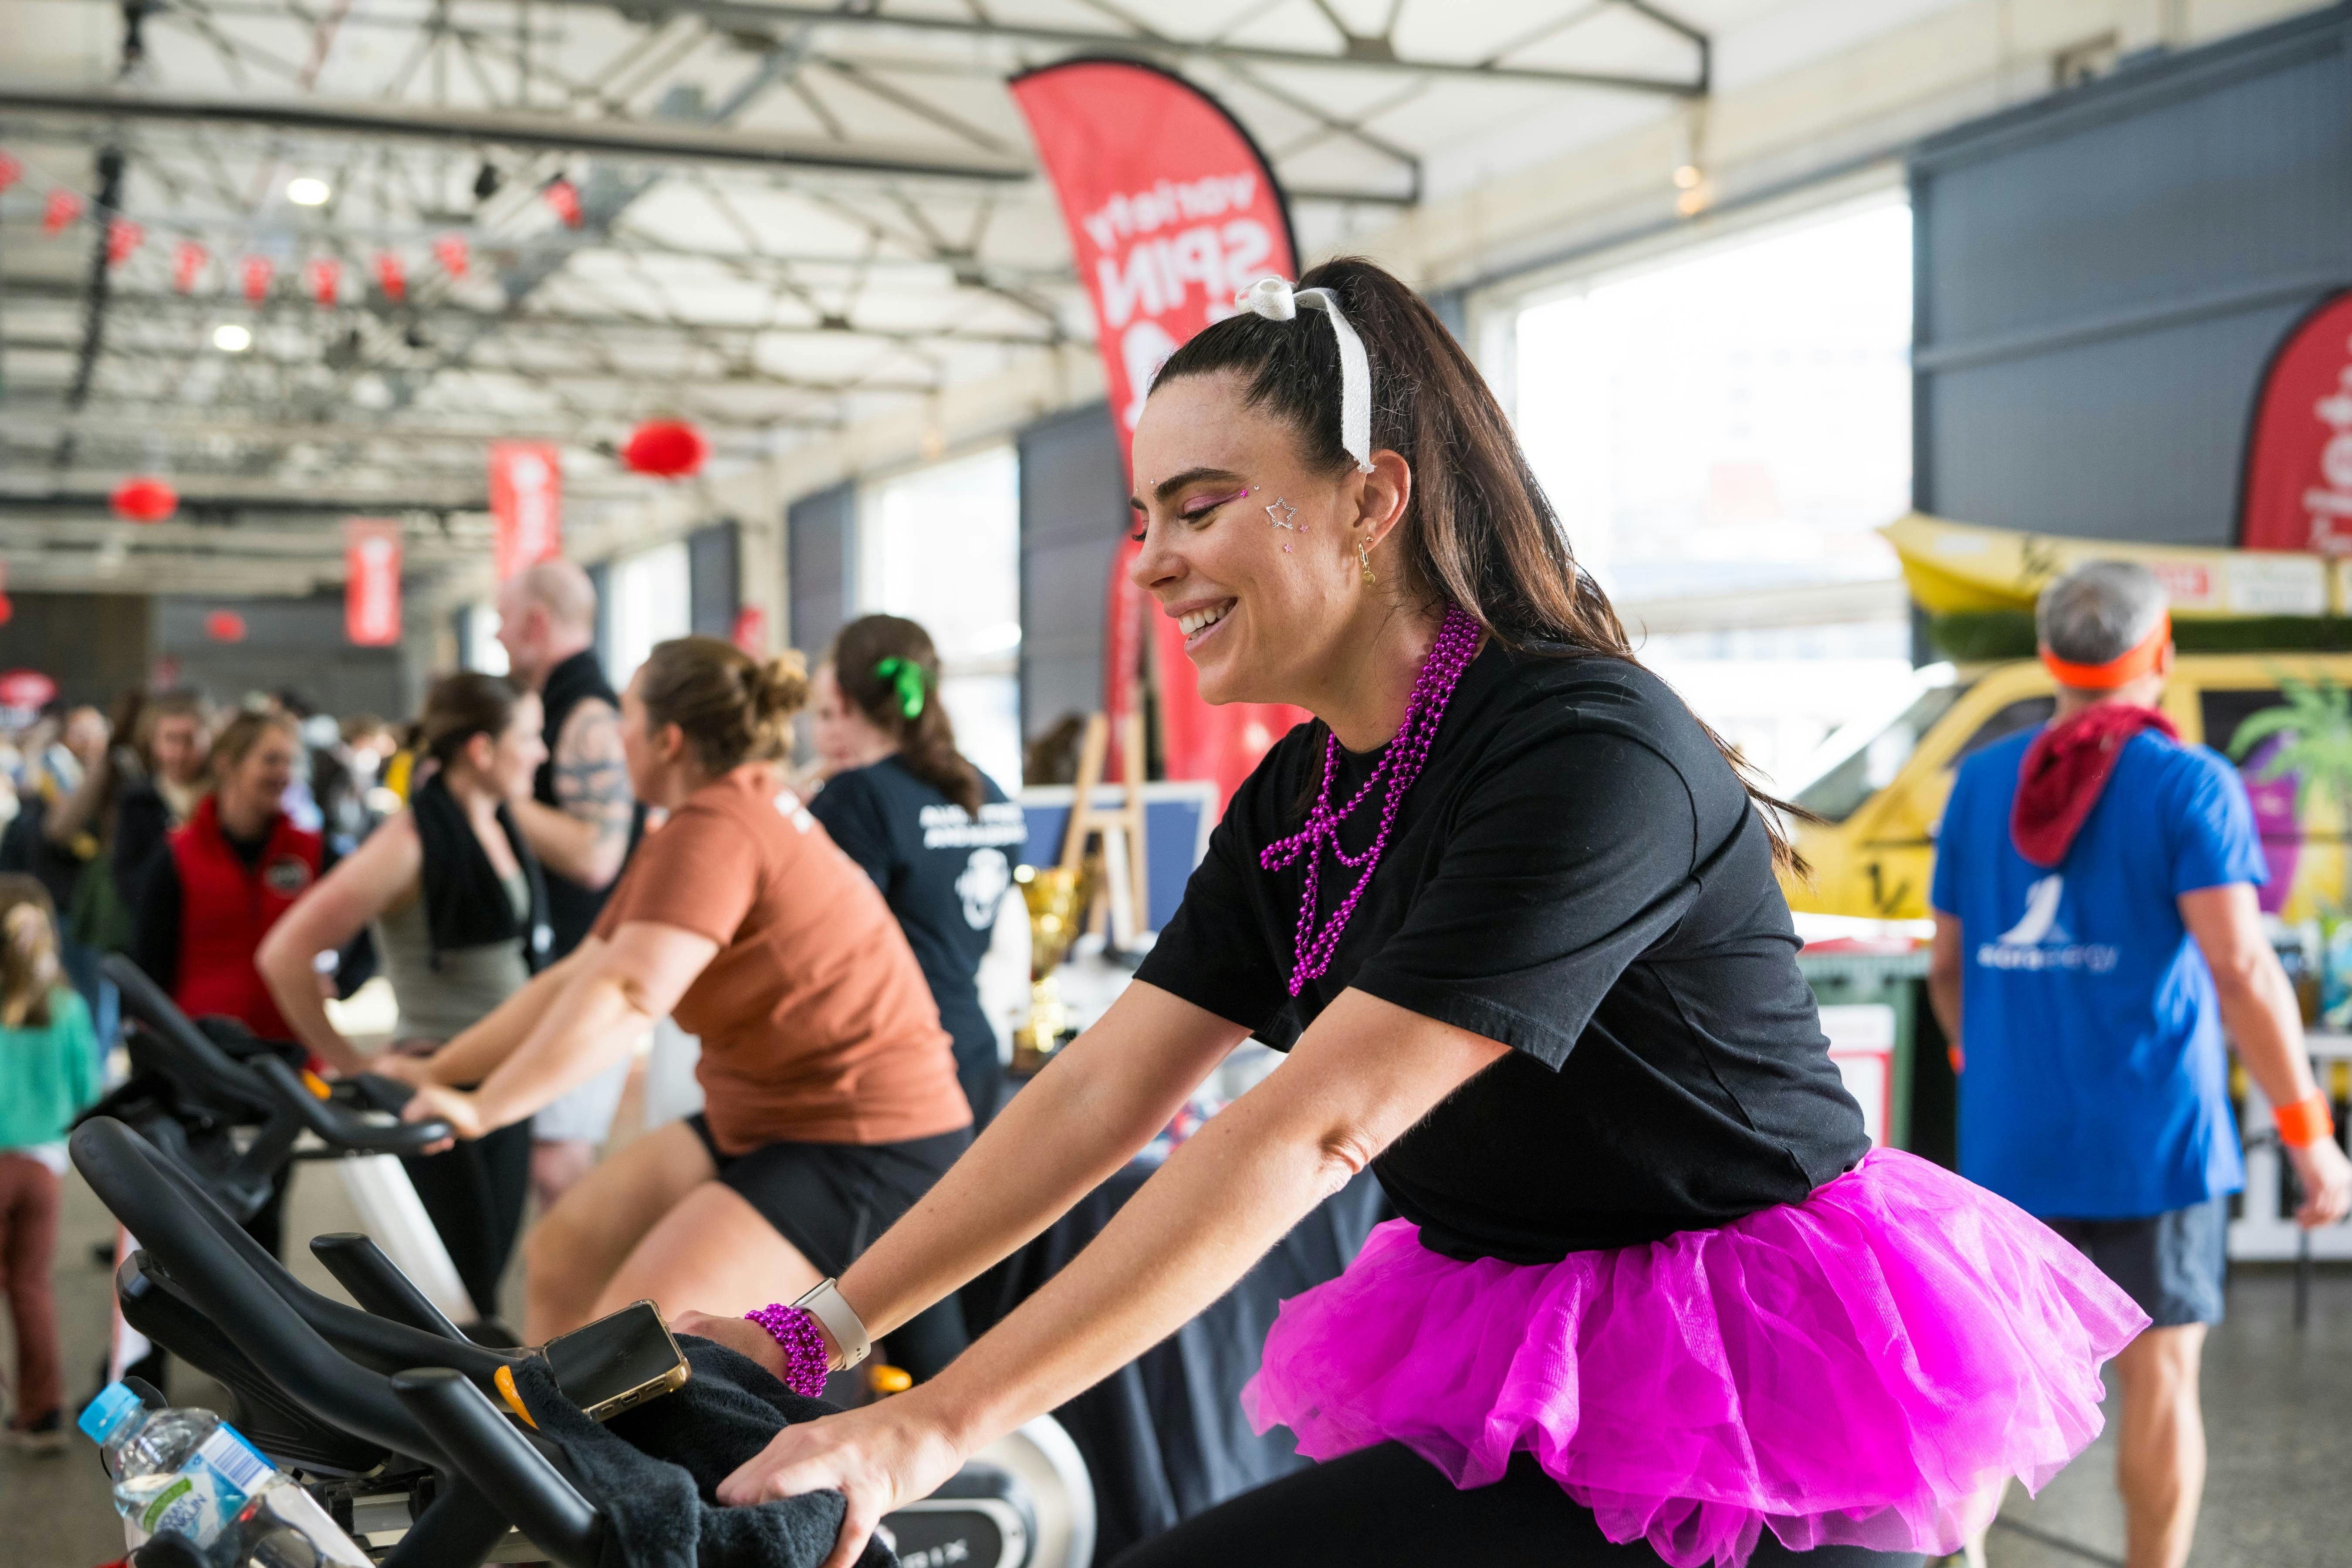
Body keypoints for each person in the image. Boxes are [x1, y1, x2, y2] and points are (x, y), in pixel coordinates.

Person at [676, 260, 2148, 1568]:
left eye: (1201, 508)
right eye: (1144, 520)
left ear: (1375, 501)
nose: (1153, 562)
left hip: (1753, 1408)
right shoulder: (1307, 792)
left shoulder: (1587, 751)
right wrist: (818, 1330)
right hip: (1531, 1340)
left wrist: (931, 1431)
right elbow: (1105, 1090)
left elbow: (1315, 1129)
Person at [1926, 561, 2352, 1568]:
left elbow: (1947, 968)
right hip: (2155, 1145)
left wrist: (1980, 1068)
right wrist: (2311, 1138)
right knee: (2161, 1381)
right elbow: (2241, 969)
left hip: (2009, 1142)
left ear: (2049, 658)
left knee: (1995, 1382)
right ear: (2159, 654)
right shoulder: (2187, 783)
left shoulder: (1980, 783)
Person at [390, 638, 972, 1370]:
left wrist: (486, 1108)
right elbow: (578, 976)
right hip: (768, 1115)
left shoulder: (722, 824)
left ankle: (605, 1463)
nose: (616, 739)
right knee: (565, 1254)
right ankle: (556, 1460)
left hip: (865, 1141)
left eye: (625, 720)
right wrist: (442, 1072)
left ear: (667, 739)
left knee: (631, 1347)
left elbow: (630, 997)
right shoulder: (701, 820)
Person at [257, 675, 553, 1325]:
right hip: (440, 1080)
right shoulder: (410, 842)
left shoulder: (496, 821)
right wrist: (347, 1064)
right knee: (457, 1294)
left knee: (486, 1278)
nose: (543, 752)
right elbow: (285, 955)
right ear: (481, 749)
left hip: (504, 1082)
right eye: (529, 737)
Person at [809, 617, 1026, 1127]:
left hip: (891, 1064)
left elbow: (823, 947)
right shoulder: (988, 790)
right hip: (974, 1054)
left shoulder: (856, 797)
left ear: (841, 698)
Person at [495, 560, 639, 1212]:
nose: (498, 637)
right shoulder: (554, 703)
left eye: (502, 622)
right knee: (543, 1158)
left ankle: (586, 1309)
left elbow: (595, 856)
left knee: (557, 1161)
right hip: (560, 967)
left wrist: (491, 798)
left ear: (534, 623)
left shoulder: (585, 714)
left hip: (589, 965)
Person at [129, 710, 324, 1057]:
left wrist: (341, 979)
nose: (284, 773)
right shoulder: (178, 855)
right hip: (205, 1057)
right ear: (227, 765)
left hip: (295, 1055)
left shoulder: (312, 850)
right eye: (271, 760)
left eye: (292, 762)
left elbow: (363, 935)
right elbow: (150, 966)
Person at [0, 875, 101, 1451]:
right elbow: (89, 1089)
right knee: (32, 1287)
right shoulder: (65, 1006)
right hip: (43, 1166)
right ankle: (41, 1414)